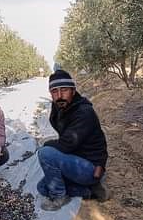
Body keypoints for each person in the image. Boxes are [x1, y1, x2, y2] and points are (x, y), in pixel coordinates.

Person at [36, 70, 109, 211]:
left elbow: (66, 144)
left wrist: (46, 144)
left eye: (64, 90)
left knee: (45, 153)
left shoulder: (83, 112)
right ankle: (89, 191)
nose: (59, 95)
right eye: (54, 91)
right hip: (76, 158)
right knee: (42, 188)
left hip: (90, 166)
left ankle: (59, 196)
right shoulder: (59, 106)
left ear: (73, 91)